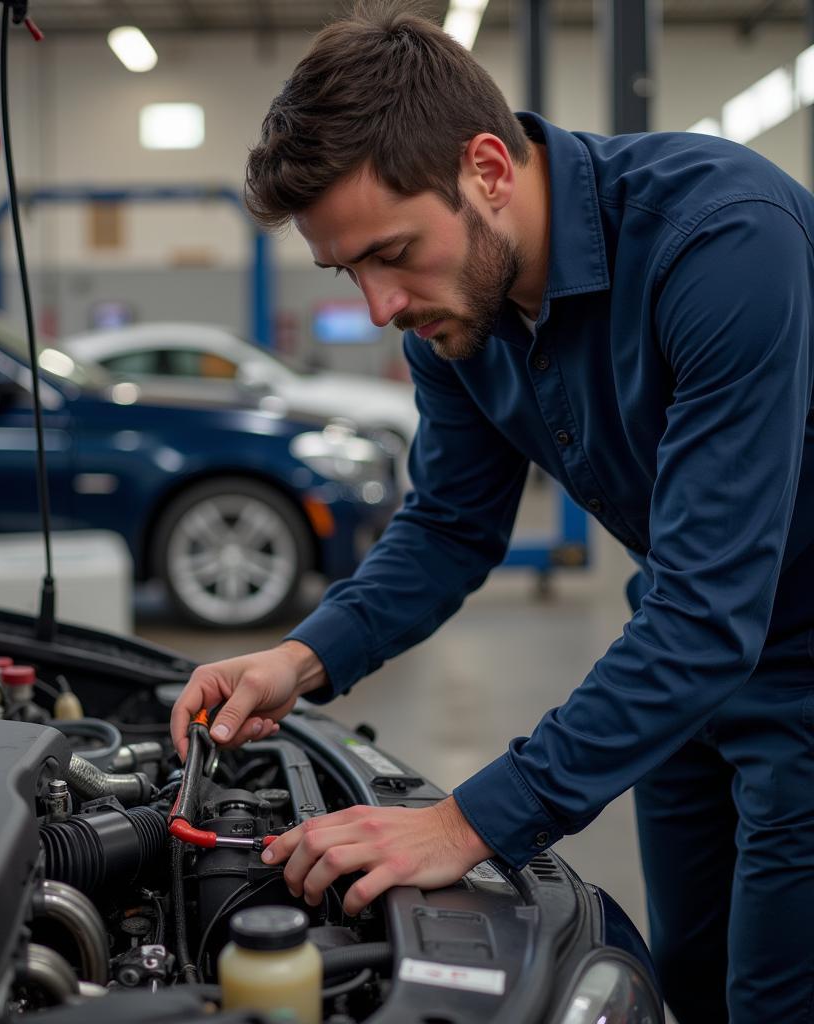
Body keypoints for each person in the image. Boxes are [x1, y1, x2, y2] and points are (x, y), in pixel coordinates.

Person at [169, 4, 814, 1021]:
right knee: (688, 975)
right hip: (686, 663)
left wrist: (467, 822)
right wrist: (296, 658)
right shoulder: (453, 320)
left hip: (783, 652)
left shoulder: (720, 240)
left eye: (391, 252)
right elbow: (448, 526)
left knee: (777, 992)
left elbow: (709, 608)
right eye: (349, 273)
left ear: (488, 170)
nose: (381, 308)